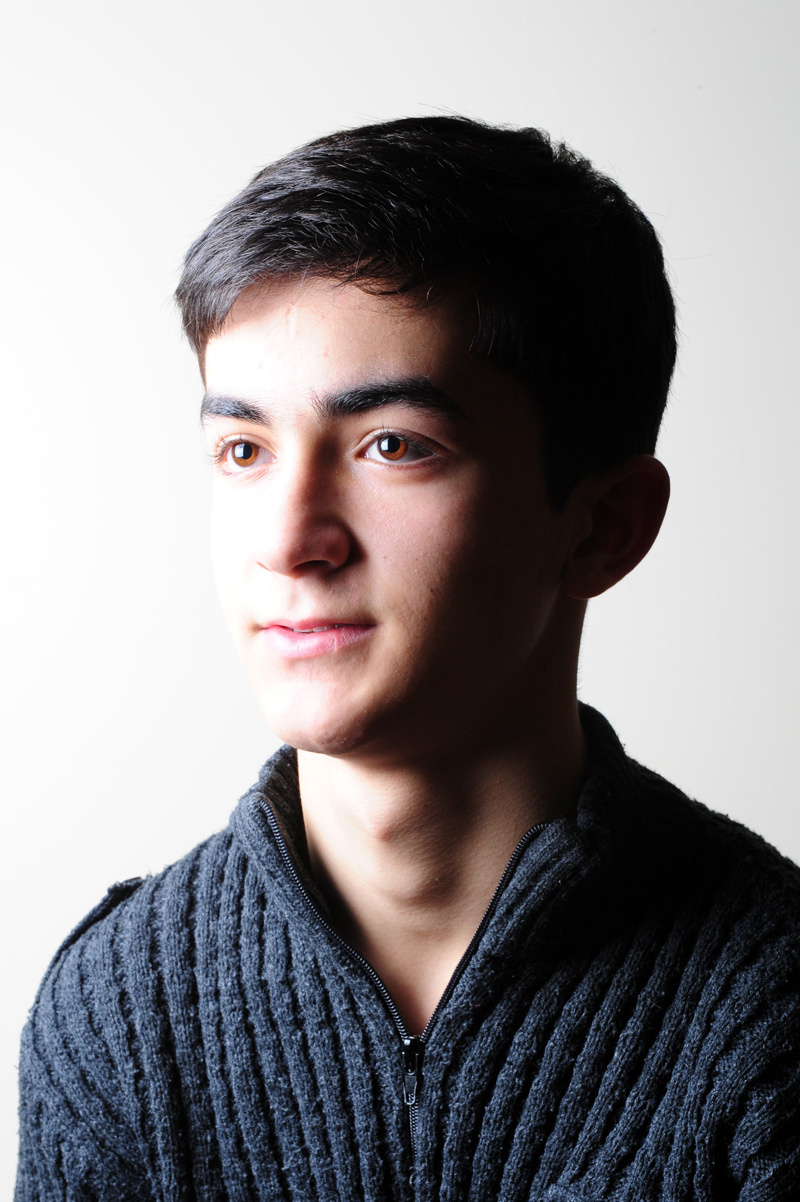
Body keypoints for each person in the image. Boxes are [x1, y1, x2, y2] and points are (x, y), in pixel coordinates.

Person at [16, 116, 800, 1201]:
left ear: (602, 526)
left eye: (392, 445)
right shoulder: (114, 1015)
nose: (290, 539)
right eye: (243, 449)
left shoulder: (771, 1006)